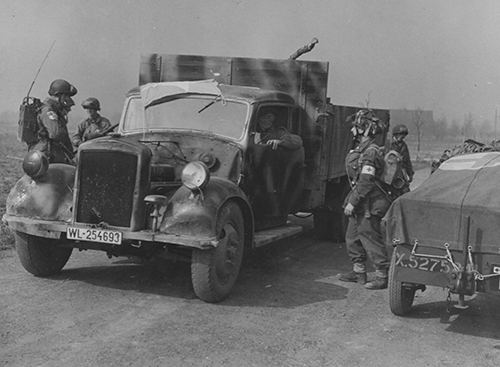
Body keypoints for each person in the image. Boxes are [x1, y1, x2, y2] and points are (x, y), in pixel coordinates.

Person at [339, 110, 391, 289]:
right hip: (362, 202)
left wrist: (353, 202)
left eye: (356, 127)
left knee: (370, 238)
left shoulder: (371, 152)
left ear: (363, 129)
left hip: (370, 203)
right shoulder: (360, 149)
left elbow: (366, 182)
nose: (353, 130)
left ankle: (382, 276)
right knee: (352, 238)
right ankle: (359, 272)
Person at [30, 79, 77, 163]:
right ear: (59, 95)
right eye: (67, 96)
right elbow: (55, 134)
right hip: (47, 155)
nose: (67, 99)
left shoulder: (55, 110)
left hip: (52, 153)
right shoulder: (48, 110)